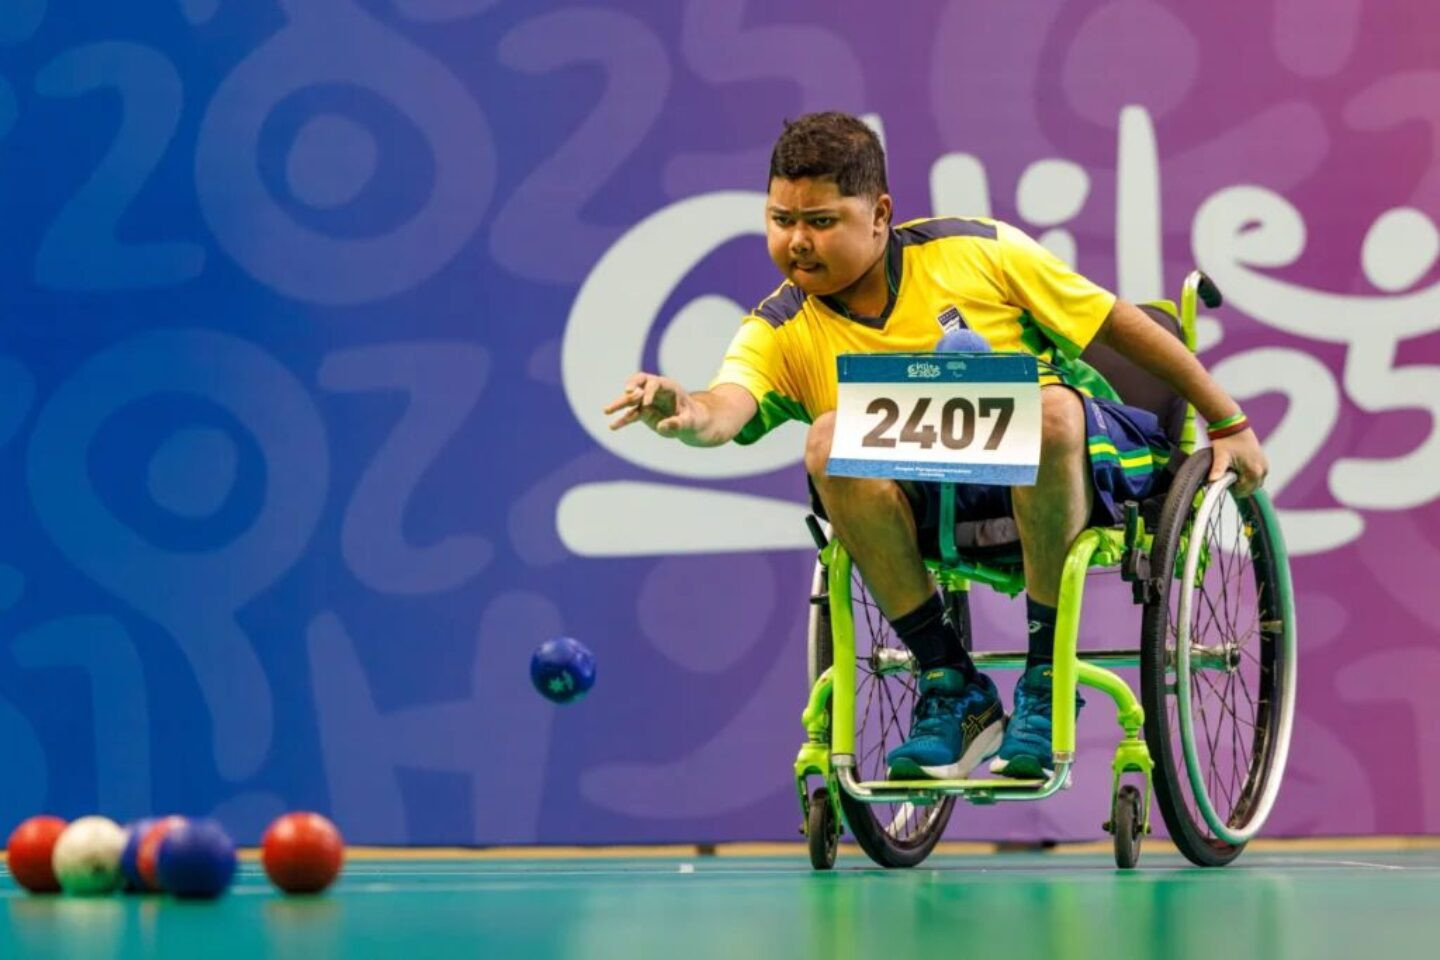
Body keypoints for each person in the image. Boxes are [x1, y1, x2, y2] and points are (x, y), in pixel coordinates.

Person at [603, 112, 1268, 781]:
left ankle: (1043, 681)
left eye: (822, 221)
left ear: (879, 213)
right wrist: (685, 407)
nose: (797, 242)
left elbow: (1118, 324)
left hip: (1079, 460)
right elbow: (725, 410)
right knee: (828, 437)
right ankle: (952, 684)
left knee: (1049, 414)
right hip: (934, 500)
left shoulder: (976, 252)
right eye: (781, 220)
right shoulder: (779, 327)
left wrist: (1227, 421)